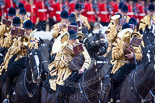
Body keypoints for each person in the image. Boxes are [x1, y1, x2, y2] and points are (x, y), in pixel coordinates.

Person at [48, 30, 91, 103]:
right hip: (64, 75)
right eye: (72, 39)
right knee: (61, 90)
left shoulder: (78, 47)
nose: (74, 41)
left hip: (79, 71)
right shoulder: (62, 48)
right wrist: (65, 62)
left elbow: (88, 58)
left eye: (75, 39)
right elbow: (56, 63)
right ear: (68, 40)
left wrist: (83, 68)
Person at [2, 20, 38, 103]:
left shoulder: (33, 39)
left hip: (29, 60)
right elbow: (12, 50)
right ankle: (7, 96)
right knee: (10, 71)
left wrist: (29, 44)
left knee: (41, 72)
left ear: (31, 30)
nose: (26, 31)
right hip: (19, 59)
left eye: (28, 30)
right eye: (25, 29)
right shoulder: (19, 38)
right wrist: (20, 46)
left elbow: (35, 47)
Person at [109, 23, 142, 102]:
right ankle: (112, 97)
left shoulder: (135, 39)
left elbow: (140, 55)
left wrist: (133, 55)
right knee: (114, 80)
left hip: (132, 65)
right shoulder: (117, 41)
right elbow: (114, 56)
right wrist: (123, 51)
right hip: (120, 66)